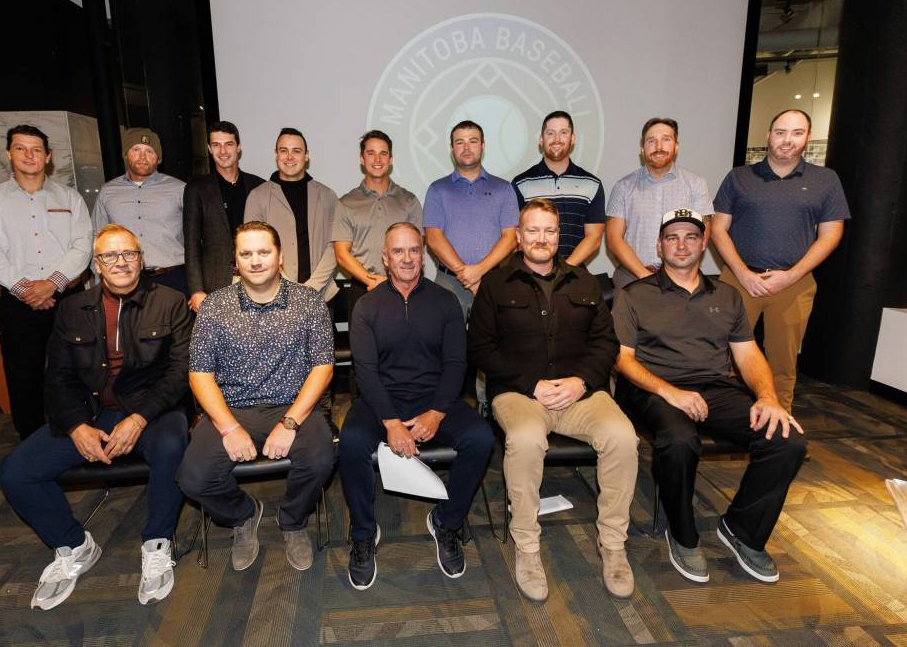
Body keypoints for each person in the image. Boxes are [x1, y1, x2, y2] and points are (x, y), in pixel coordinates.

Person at [0, 223, 192, 609]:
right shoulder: (72, 308)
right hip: (90, 412)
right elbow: (58, 378)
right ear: (97, 264)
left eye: (128, 254)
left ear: (141, 258)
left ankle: (156, 543)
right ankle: (73, 545)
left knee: (173, 446)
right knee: (15, 472)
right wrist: (75, 427)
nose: (120, 263)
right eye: (109, 256)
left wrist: (138, 419)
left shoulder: (171, 301)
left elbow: (179, 373)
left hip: (152, 409)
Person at [613, 208, 807, 584]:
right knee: (680, 439)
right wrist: (671, 392)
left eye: (690, 236)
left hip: (715, 388)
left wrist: (768, 397)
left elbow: (748, 354)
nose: (681, 244)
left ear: (704, 244)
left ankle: (741, 529)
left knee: (788, 440)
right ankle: (683, 533)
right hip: (652, 387)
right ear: (659, 245)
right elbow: (623, 361)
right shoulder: (634, 295)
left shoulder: (728, 296)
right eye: (672, 237)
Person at [468, 199, 638, 602]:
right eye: (533, 231)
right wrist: (532, 385)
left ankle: (613, 544)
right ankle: (527, 548)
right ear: (519, 237)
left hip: (579, 393)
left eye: (549, 231)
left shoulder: (584, 281)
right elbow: (479, 348)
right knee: (525, 441)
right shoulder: (495, 284)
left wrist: (581, 382)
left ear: (558, 236)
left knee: (623, 437)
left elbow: (606, 342)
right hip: (519, 393)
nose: (541, 238)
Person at [338, 222, 494, 590]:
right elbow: (366, 370)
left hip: (435, 397)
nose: (406, 258)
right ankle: (363, 533)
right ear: (384, 257)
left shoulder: (445, 301)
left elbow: (457, 363)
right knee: (351, 443)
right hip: (382, 398)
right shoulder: (366, 306)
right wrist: (391, 422)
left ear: (422, 254)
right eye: (398, 251)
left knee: (481, 439)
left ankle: (447, 522)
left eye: (413, 250)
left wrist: (437, 412)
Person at [177, 221, 336, 572]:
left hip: (294, 406)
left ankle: (293, 521)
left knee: (321, 458)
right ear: (236, 260)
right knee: (193, 478)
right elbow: (199, 375)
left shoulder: (309, 303)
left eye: (263, 252)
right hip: (232, 408)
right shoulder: (215, 307)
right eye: (246, 254)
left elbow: (323, 367)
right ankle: (243, 515)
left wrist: (291, 422)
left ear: (280, 257)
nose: (255, 260)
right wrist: (229, 428)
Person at [711, 109, 849, 410]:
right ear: (768, 135)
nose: (788, 140)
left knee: (783, 363)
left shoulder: (826, 180)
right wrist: (743, 273)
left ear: (808, 138)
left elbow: (831, 235)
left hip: (794, 284)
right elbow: (718, 229)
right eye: (780, 132)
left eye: (797, 133)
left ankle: (780, 422)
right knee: (724, 356)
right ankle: (726, 418)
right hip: (738, 281)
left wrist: (791, 275)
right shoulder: (738, 177)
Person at [0, 124, 92, 439]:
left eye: (36, 149)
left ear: (48, 156)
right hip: (19, 300)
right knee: (24, 375)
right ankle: (32, 442)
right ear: (8, 153)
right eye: (21, 148)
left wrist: (52, 283)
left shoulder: (70, 198)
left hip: (67, 298)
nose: (29, 155)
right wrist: (27, 289)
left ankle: (84, 435)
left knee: (81, 370)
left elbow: (82, 245)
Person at [424, 120, 519, 318]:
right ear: (452, 148)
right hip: (448, 282)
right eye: (460, 142)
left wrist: (479, 272)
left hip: (493, 282)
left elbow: (510, 238)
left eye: (473, 141)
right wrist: (467, 275)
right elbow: (433, 238)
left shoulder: (504, 188)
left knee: (492, 347)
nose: (466, 147)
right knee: (447, 347)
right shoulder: (437, 189)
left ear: (483, 146)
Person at [606, 118, 713, 291]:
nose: (659, 146)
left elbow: (704, 232)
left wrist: (675, 275)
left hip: (682, 278)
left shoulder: (696, 184)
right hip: (632, 277)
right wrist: (645, 277)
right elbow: (614, 239)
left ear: (676, 146)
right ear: (642, 149)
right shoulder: (623, 187)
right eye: (651, 141)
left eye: (666, 139)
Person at [244, 128, 339, 302]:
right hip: (274, 297)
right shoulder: (257, 197)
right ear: (276, 155)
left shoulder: (327, 196)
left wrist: (313, 286)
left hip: (321, 295)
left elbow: (335, 246)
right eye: (283, 150)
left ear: (306, 155)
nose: (290, 157)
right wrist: (288, 287)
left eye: (296, 151)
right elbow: (253, 249)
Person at [333, 130, 422, 315]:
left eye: (383, 153)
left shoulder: (409, 200)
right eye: (371, 153)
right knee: (363, 345)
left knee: (406, 344)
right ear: (361, 159)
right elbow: (341, 254)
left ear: (391, 159)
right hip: (363, 288)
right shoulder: (346, 203)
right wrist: (373, 281)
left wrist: (392, 282)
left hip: (406, 287)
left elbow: (418, 247)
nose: (377, 159)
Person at [183, 120, 266, 312]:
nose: (223, 151)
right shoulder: (196, 189)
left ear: (239, 148)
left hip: (257, 277)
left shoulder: (259, 186)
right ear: (209, 149)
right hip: (216, 283)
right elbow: (191, 244)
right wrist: (196, 290)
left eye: (229, 144)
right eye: (216, 145)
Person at [93, 128, 187, 294]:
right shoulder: (107, 191)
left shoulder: (180, 189)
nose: (142, 157)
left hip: (172, 278)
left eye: (149, 151)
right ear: (126, 154)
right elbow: (97, 238)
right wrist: (98, 281)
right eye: (136, 149)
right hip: (123, 279)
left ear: (158, 158)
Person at [512, 110, 605, 265]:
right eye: (550, 133)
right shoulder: (521, 183)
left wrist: (565, 270)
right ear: (541, 140)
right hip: (531, 276)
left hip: (574, 274)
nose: (557, 139)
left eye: (563, 132)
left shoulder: (591, 184)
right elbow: (515, 237)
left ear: (572, 138)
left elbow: (594, 238)